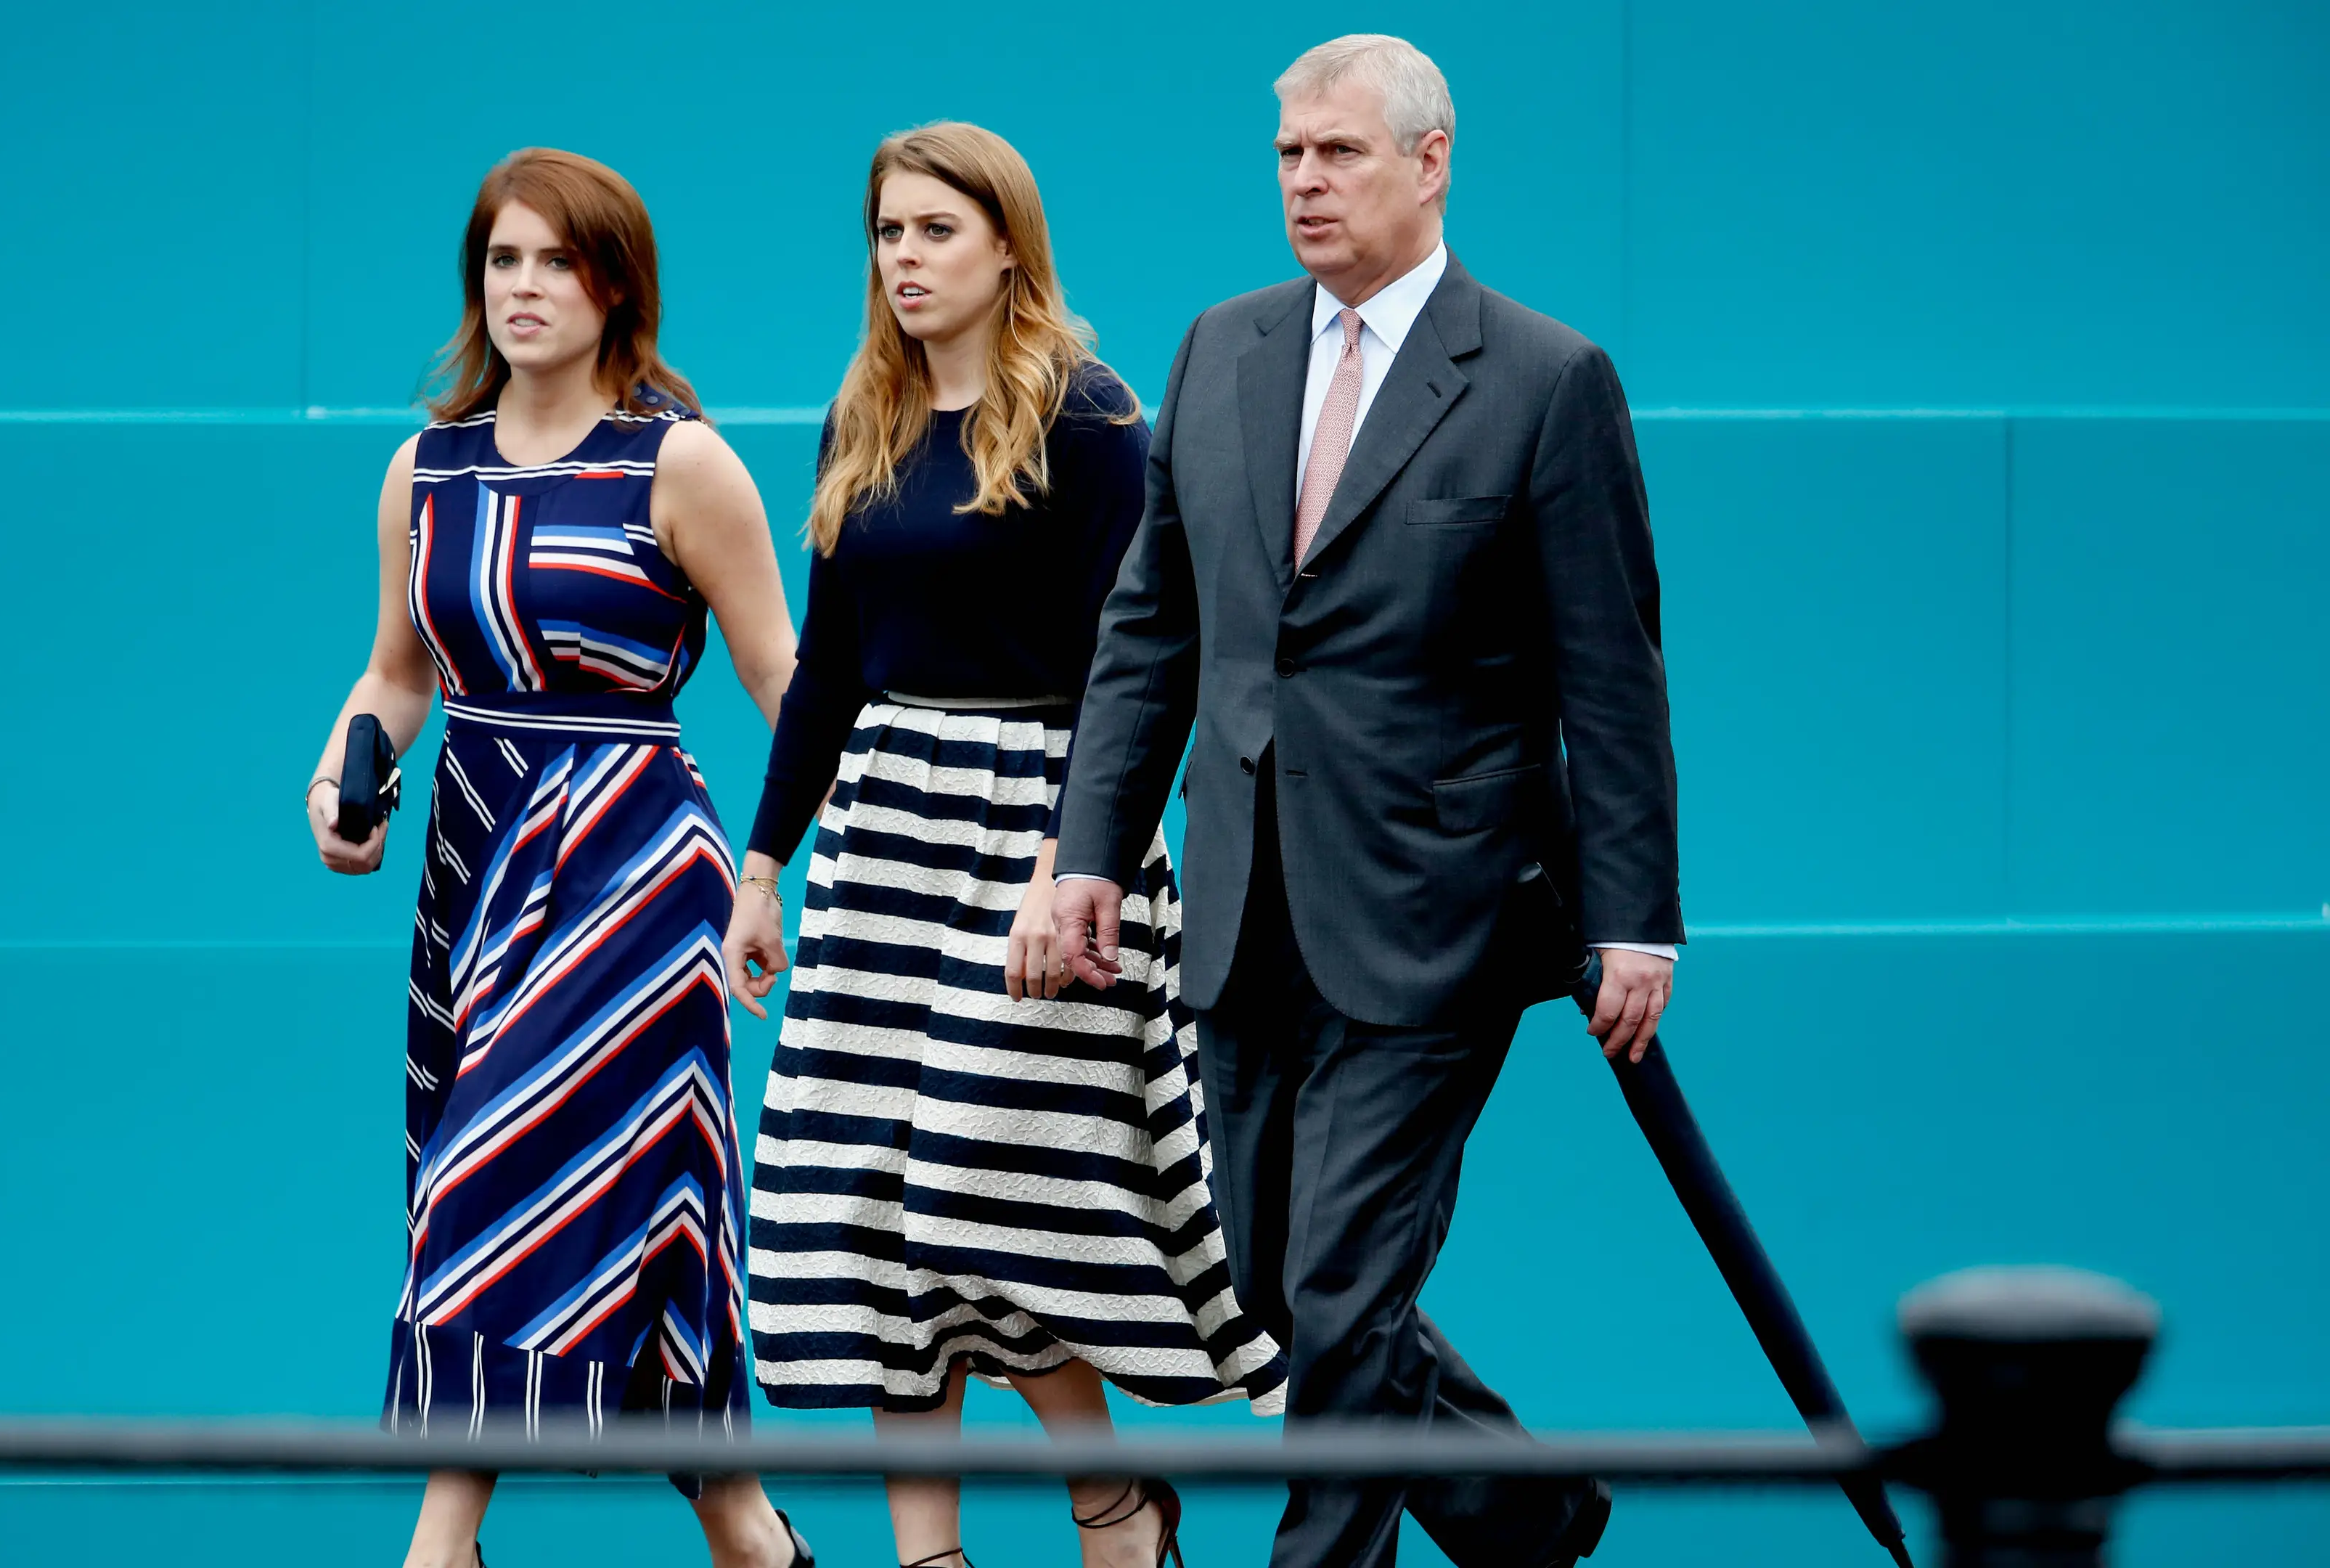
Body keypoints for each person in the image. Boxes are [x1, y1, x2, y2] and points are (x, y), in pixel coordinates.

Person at [1051, 36, 1685, 1568]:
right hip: (1241, 908)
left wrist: (1636, 921)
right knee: (1275, 1281)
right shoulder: (1220, 350)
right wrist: (1090, 853)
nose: (1306, 183)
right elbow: (1153, 628)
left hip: (1435, 918)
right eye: (1289, 156)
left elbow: (1610, 673)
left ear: (1430, 160)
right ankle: (1530, 1516)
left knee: (1341, 1286)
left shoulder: (1545, 379)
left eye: (1338, 153)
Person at [726, 123, 1284, 1568]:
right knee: (865, 1208)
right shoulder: (865, 414)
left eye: (936, 231)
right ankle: (932, 1555)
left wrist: (1070, 858)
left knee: (987, 1190)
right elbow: (827, 671)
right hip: (887, 837)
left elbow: (1136, 661)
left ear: (1007, 246)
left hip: (1044, 826)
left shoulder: (1089, 420)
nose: (904, 260)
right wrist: (766, 868)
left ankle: (1111, 1501)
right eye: (887, 234)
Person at [305, 147, 814, 1568]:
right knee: (621, 1216)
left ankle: (439, 1548)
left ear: (616, 287)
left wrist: (780, 867)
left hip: (633, 873)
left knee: (491, 1186)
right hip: (473, 861)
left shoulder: (682, 463)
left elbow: (786, 681)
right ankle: (749, 1531)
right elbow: (395, 673)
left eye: (557, 262)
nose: (524, 288)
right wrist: (342, 778)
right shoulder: (426, 470)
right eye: (503, 260)